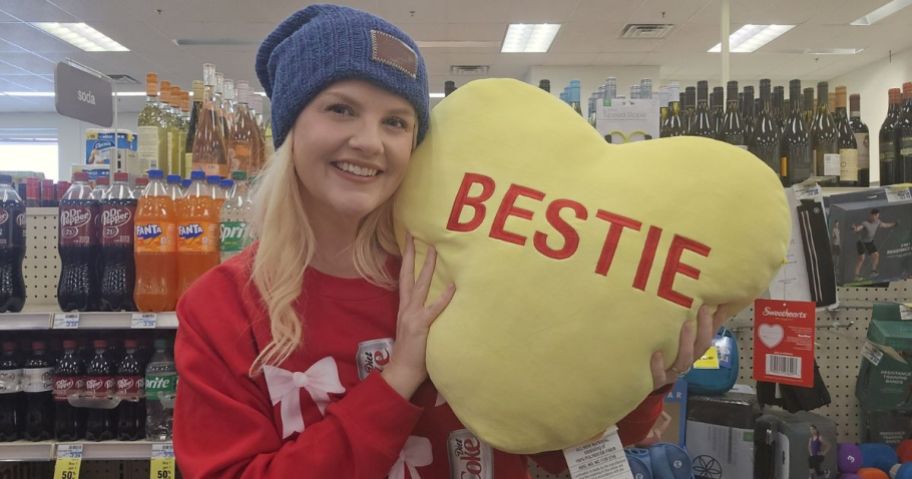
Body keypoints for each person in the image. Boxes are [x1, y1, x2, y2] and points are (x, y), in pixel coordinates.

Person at [172, 4, 731, 477]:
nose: (370, 142)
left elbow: (556, 450)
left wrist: (643, 384)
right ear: (291, 127)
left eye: (397, 121)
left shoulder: (472, 262)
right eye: (340, 109)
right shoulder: (223, 308)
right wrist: (399, 379)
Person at [852, 208, 898, 280]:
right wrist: (855, 228)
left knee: (876, 255)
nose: (876, 217)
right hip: (861, 243)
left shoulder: (878, 222)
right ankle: (856, 275)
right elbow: (859, 228)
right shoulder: (865, 223)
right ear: (870, 215)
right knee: (861, 258)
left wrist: (894, 224)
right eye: (875, 216)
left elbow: (885, 225)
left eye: (877, 216)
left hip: (870, 242)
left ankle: (873, 271)